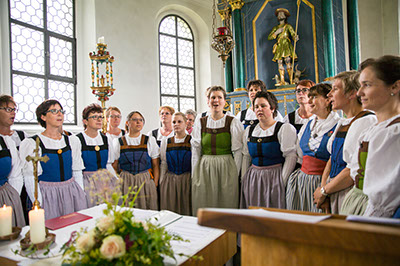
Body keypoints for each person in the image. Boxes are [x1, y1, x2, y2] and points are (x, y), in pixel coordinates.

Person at [343, 56, 400, 217]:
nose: (359, 92)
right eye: (360, 85)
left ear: (395, 86)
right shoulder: (376, 128)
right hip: (361, 202)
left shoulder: (394, 133)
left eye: (367, 85)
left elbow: (385, 198)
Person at [312, 71, 376, 214]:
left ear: (352, 93)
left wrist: (324, 190)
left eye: (335, 89)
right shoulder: (342, 122)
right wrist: (324, 189)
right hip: (333, 189)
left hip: (348, 191)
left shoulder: (366, 121)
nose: (329, 95)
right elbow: (331, 158)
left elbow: (352, 169)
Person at [20, 100, 86, 220]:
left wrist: (80, 195)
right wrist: (38, 202)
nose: (59, 114)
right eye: (54, 111)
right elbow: (30, 178)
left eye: (61, 111)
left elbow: (76, 171)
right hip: (47, 195)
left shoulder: (72, 141)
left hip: (70, 192)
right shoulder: (32, 143)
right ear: (43, 116)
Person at [286, 83, 340, 213]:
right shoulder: (308, 125)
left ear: (327, 100)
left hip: (324, 184)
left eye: (314, 97)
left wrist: (325, 188)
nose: (309, 101)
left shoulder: (338, 126)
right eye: (309, 97)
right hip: (301, 181)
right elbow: (299, 154)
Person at [191, 86, 244, 216]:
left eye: (219, 97)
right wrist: (195, 172)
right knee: (205, 202)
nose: (216, 100)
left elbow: (238, 151)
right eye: (213, 97)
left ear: (225, 101)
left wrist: (234, 174)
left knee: (227, 203)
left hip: (227, 166)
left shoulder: (233, 122)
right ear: (208, 101)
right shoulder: (200, 121)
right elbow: (196, 149)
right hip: (205, 167)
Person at [241, 91, 297, 209]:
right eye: (256, 107)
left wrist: (282, 181)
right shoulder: (249, 130)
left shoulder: (284, 128)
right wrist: (244, 178)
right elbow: (246, 156)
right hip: (254, 178)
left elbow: (291, 156)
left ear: (272, 108)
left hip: (275, 176)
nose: (259, 109)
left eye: (263, 106)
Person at [71, 104, 119, 207]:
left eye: (100, 117)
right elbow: (76, 170)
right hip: (87, 181)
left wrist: (116, 181)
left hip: (105, 180)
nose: (99, 120)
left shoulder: (106, 139)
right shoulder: (77, 139)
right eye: (94, 117)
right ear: (85, 121)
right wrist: (81, 191)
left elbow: (108, 164)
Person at [112, 111, 159, 210]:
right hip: (125, 180)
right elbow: (114, 166)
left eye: (141, 120)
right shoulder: (118, 142)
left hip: (144, 180)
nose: (138, 122)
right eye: (135, 120)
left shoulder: (150, 140)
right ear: (127, 123)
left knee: (146, 210)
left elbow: (155, 165)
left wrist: (154, 183)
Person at [160, 112, 191, 215]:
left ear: (186, 123)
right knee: (170, 208)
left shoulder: (192, 140)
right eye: (174, 122)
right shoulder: (166, 141)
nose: (176, 124)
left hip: (187, 179)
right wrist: (161, 181)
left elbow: (195, 162)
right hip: (170, 179)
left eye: (179, 121)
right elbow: (164, 163)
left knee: (186, 208)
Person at [268, 8, 299, 85]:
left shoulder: (288, 26)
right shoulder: (276, 28)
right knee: (280, 62)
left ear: (285, 16)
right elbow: (269, 37)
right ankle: (282, 81)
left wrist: (295, 37)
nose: (280, 15)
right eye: (279, 14)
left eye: (282, 14)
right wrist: (276, 32)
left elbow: (293, 34)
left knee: (288, 61)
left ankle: (291, 80)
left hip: (286, 44)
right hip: (279, 45)